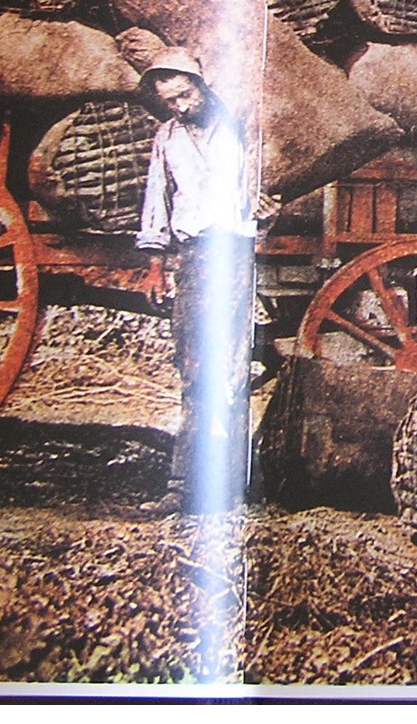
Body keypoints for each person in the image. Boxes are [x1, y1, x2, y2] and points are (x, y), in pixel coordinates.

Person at [135, 47, 275, 514]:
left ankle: (236, 483)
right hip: (193, 260)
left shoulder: (240, 130)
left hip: (234, 257)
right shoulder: (166, 138)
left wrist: (268, 215)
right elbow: (157, 199)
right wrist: (156, 264)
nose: (180, 105)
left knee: (233, 369)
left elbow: (265, 191)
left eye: (185, 94)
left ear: (201, 85)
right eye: (170, 100)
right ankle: (180, 484)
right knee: (193, 367)